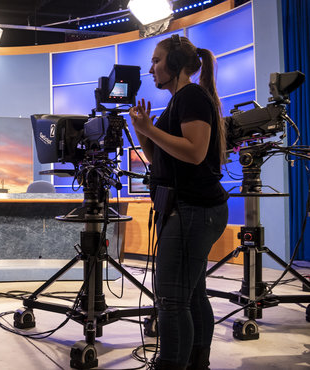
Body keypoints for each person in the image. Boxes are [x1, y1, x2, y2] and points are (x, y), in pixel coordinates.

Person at [128, 35, 229, 369]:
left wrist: (151, 130)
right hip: (189, 209)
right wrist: (143, 131)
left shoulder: (191, 97)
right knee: (192, 295)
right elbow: (160, 160)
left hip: (193, 211)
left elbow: (195, 152)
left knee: (171, 301)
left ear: (173, 64)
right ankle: (197, 363)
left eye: (156, 61)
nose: (151, 68)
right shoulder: (179, 100)